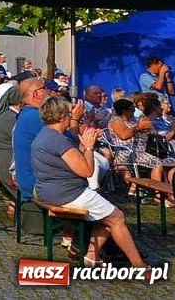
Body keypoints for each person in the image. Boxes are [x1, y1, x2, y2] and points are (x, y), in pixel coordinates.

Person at [31, 95, 146, 268]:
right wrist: (89, 147)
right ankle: (139, 266)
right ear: (62, 116)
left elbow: (71, 143)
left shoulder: (45, 134)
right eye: (69, 113)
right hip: (68, 193)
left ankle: (92, 257)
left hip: (48, 190)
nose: (71, 116)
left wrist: (85, 140)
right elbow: (86, 171)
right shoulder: (59, 141)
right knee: (117, 218)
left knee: (107, 215)